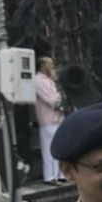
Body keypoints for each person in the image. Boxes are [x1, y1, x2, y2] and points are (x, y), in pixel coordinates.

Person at [35, 56, 65, 184]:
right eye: (50, 64)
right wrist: (59, 99)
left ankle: (60, 174)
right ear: (42, 65)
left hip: (58, 117)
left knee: (59, 146)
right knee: (48, 148)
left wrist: (59, 98)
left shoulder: (51, 80)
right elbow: (50, 99)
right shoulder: (37, 80)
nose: (52, 66)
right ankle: (49, 176)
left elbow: (60, 96)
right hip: (47, 119)